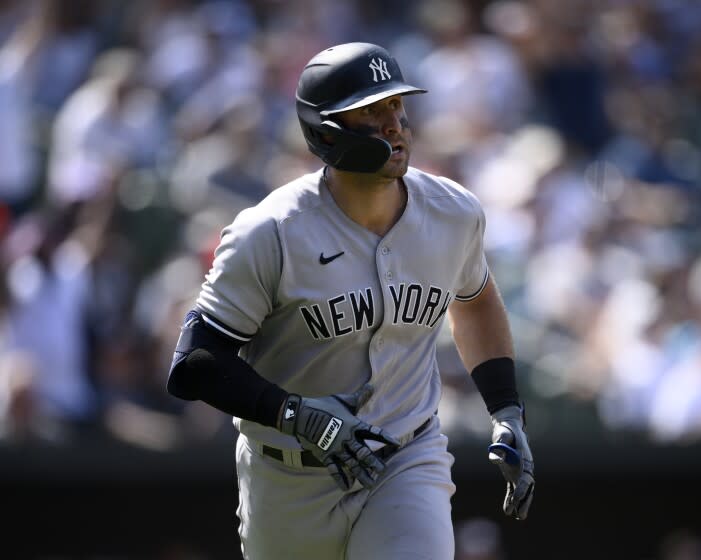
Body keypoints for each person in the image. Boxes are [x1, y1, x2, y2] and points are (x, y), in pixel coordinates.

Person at [166, 42, 534, 560]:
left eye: (396, 105)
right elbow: (196, 362)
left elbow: (473, 300)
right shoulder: (270, 232)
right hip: (287, 477)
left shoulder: (453, 212)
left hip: (407, 458)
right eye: (371, 110)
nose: (394, 125)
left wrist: (506, 410)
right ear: (326, 131)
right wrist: (295, 414)